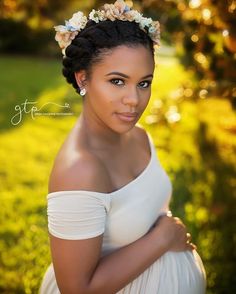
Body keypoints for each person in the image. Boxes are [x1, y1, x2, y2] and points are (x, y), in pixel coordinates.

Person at [39, 0, 207, 293]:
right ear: (83, 78)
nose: (134, 100)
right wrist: (163, 237)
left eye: (144, 83)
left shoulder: (139, 135)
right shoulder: (80, 170)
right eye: (117, 81)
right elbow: (77, 289)